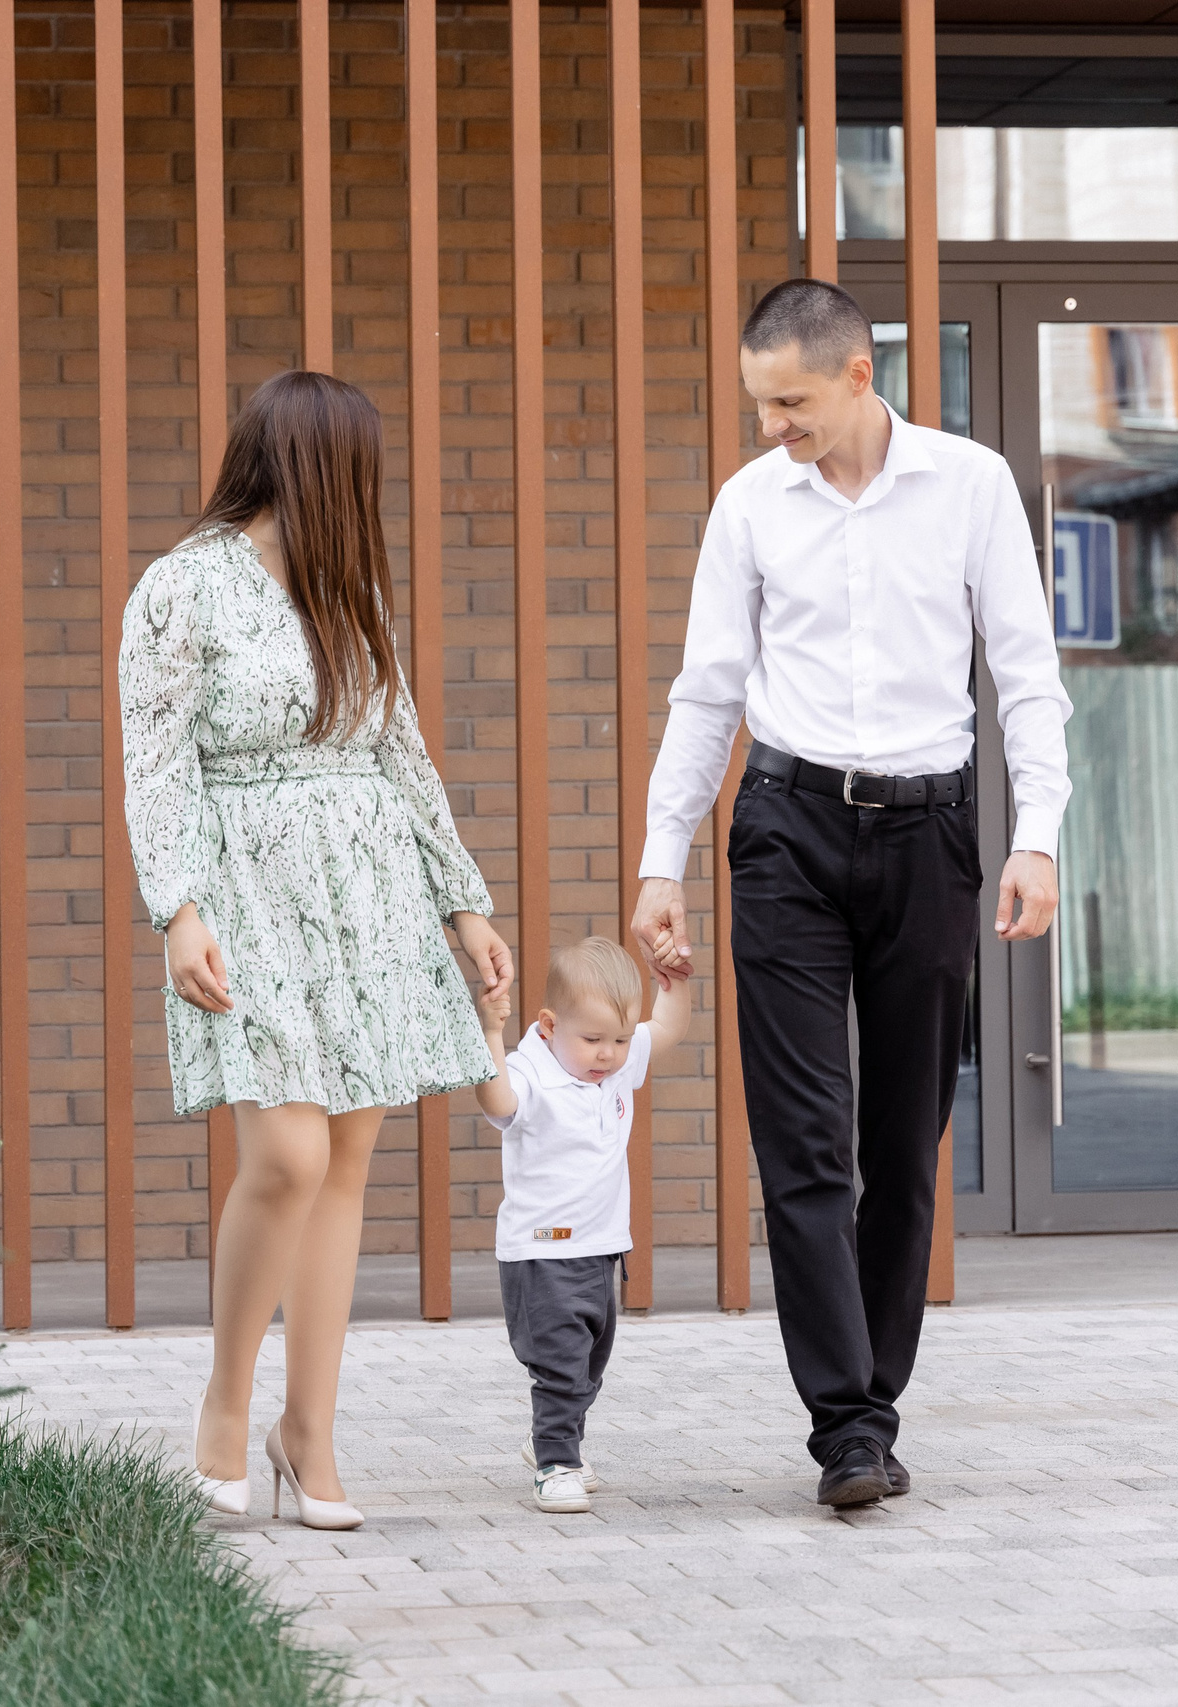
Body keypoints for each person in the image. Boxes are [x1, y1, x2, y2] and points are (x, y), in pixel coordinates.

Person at [630, 279, 1072, 1508]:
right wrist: (663, 857)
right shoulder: (748, 504)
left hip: (931, 837)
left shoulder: (971, 485)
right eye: (760, 403)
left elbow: (1026, 675)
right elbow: (706, 688)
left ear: (858, 378)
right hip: (785, 832)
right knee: (805, 1145)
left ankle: (875, 1394)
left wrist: (1036, 835)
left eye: (791, 401)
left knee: (902, 1145)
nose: (773, 425)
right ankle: (847, 1427)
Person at [121, 369, 514, 1532]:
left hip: (368, 886)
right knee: (286, 1156)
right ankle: (225, 1402)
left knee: (344, 1166)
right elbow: (155, 759)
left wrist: (463, 903)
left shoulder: (353, 595)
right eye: (355, 471)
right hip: (244, 885)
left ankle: (311, 1434)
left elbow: (403, 753)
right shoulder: (180, 588)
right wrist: (177, 908)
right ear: (305, 467)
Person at [472, 937, 687, 1515]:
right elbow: (496, 1101)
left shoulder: (613, 1068)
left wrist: (676, 984)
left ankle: (552, 1437)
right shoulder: (530, 1071)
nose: (608, 1055)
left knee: (591, 1358)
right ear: (547, 1025)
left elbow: (664, 1029)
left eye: (618, 1040)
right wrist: (491, 1036)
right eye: (592, 1040)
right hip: (542, 1251)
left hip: (602, 1247)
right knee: (562, 1363)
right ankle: (557, 1461)